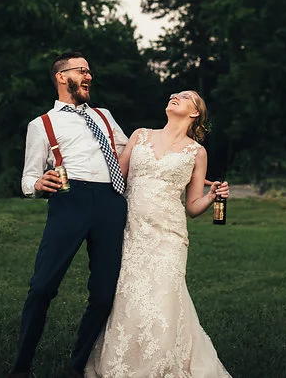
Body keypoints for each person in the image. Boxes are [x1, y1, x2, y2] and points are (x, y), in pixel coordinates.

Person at [85, 90, 231, 377]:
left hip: (170, 234)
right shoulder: (140, 135)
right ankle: (123, 364)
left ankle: (162, 364)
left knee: (164, 296)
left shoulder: (196, 152)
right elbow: (117, 178)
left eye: (185, 96)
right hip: (132, 230)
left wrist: (212, 195)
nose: (175, 95)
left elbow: (192, 205)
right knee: (129, 296)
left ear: (195, 113)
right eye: (174, 93)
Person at [9, 52, 129, 378]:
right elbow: (26, 178)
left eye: (90, 70)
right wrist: (38, 183)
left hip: (111, 202)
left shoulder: (104, 116)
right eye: (82, 71)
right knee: (43, 287)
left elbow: (133, 153)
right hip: (69, 200)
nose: (89, 76)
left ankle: (78, 366)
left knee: (105, 294)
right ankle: (21, 368)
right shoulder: (42, 124)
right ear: (62, 77)